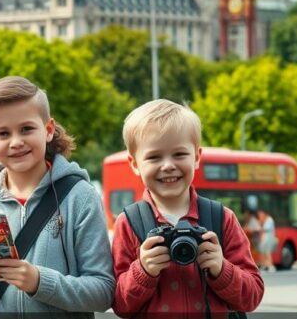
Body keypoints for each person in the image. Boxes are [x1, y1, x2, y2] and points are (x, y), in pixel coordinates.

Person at [0, 76, 115, 317]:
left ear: (48, 130)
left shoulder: (81, 197)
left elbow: (103, 292)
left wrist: (38, 281)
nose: (16, 142)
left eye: (26, 129)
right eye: (3, 134)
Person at [111, 99, 264, 317]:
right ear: (135, 164)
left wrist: (221, 269)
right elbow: (120, 305)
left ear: (197, 157)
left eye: (179, 154)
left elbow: (253, 296)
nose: (168, 165)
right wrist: (143, 271)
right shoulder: (129, 222)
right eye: (154, 157)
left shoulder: (221, 218)